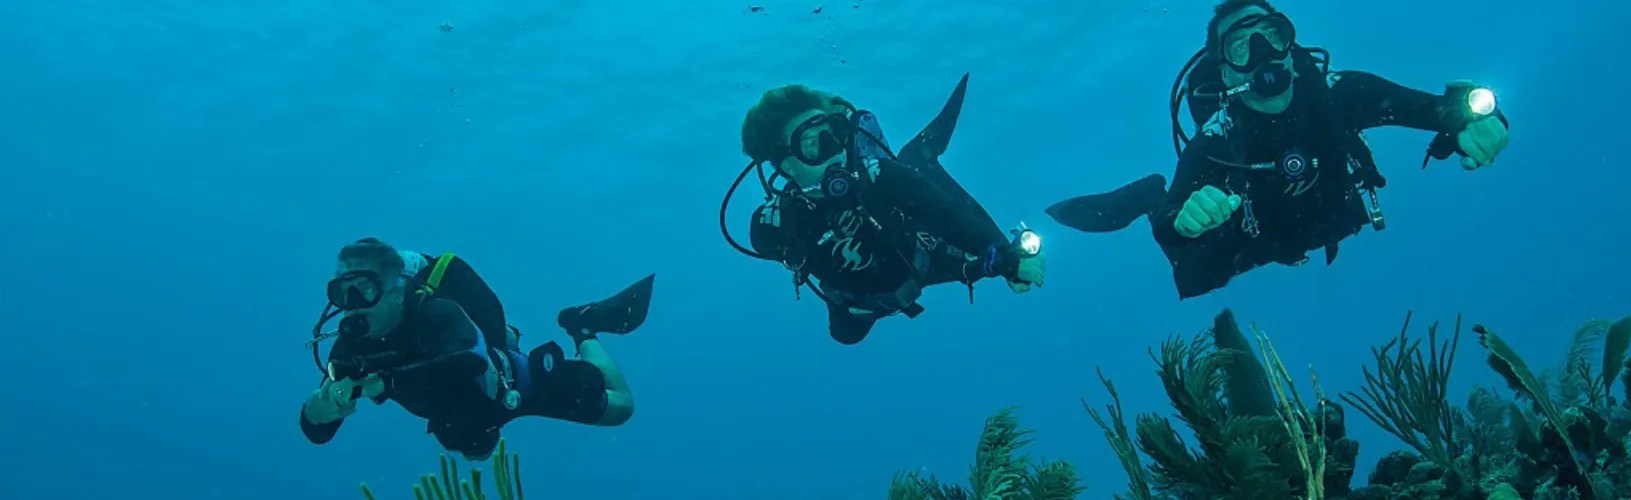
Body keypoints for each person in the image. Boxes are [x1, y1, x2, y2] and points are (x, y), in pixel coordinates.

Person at [1045, 0, 1513, 299]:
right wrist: (1184, 218)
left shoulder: (1340, 93)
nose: (1263, 51)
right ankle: (1147, 194)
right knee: (1194, 276)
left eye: (1271, 34)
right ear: (1227, 71)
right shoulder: (1217, 140)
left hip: (1334, 217)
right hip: (1258, 240)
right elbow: (1173, 228)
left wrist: (1479, 122)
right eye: (1242, 45)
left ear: (1290, 46)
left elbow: (1440, 110)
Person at [720, 74, 1047, 345]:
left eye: (832, 134)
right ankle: (918, 159)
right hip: (863, 299)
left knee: (982, 249)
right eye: (812, 143)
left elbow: (946, 217)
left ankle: (920, 157)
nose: (831, 148)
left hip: (925, 253)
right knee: (846, 334)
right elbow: (775, 250)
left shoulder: (879, 177)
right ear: (785, 164)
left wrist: (1006, 256)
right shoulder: (774, 225)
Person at [297, 237, 656, 459]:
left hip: (516, 386)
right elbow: (318, 432)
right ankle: (512, 339)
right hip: (457, 418)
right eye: (341, 294)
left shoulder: (435, 311)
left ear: (394, 288)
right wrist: (319, 409)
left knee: (621, 407)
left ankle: (582, 326)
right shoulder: (349, 343)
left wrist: (384, 383)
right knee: (470, 445)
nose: (353, 303)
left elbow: (469, 359)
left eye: (364, 289)